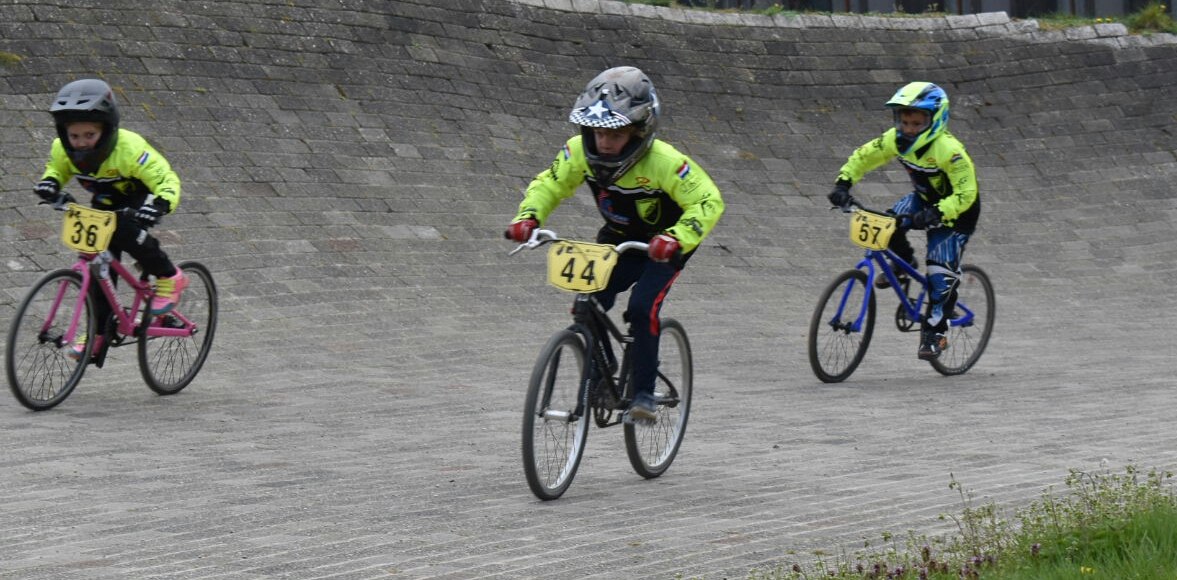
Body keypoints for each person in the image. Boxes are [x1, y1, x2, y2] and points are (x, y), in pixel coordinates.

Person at [505, 66, 724, 421]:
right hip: (619, 239)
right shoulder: (578, 151)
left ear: (640, 130)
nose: (603, 142)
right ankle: (601, 378)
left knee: (641, 308)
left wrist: (676, 238)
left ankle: (644, 394)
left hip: (664, 245)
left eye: (616, 133)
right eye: (595, 131)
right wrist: (528, 217)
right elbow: (550, 183)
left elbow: (708, 201)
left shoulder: (665, 162)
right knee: (586, 303)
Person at [34, 78, 187, 360]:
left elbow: (165, 178)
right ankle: (99, 333)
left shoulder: (129, 148)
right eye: (75, 136)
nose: (81, 143)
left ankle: (169, 276)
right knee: (98, 268)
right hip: (104, 202)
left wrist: (161, 204)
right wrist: (49, 184)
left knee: (124, 230)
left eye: (89, 135)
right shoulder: (61, 148)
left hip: (139, 198)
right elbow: (56, 170)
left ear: (106, 130)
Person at [827, 81, 980, 361]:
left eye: (916, 123)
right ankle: (905, 263)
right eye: (904, 121)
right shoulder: (895, 140)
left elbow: (966, 192)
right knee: (888, 223)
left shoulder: (950, 150)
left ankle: (936, 332)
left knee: (939, 272)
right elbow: (864, 157)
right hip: (923, 201)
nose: (909, 129)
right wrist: (843, 183)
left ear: (935, 120)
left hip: (957, 213)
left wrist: (938, 213)